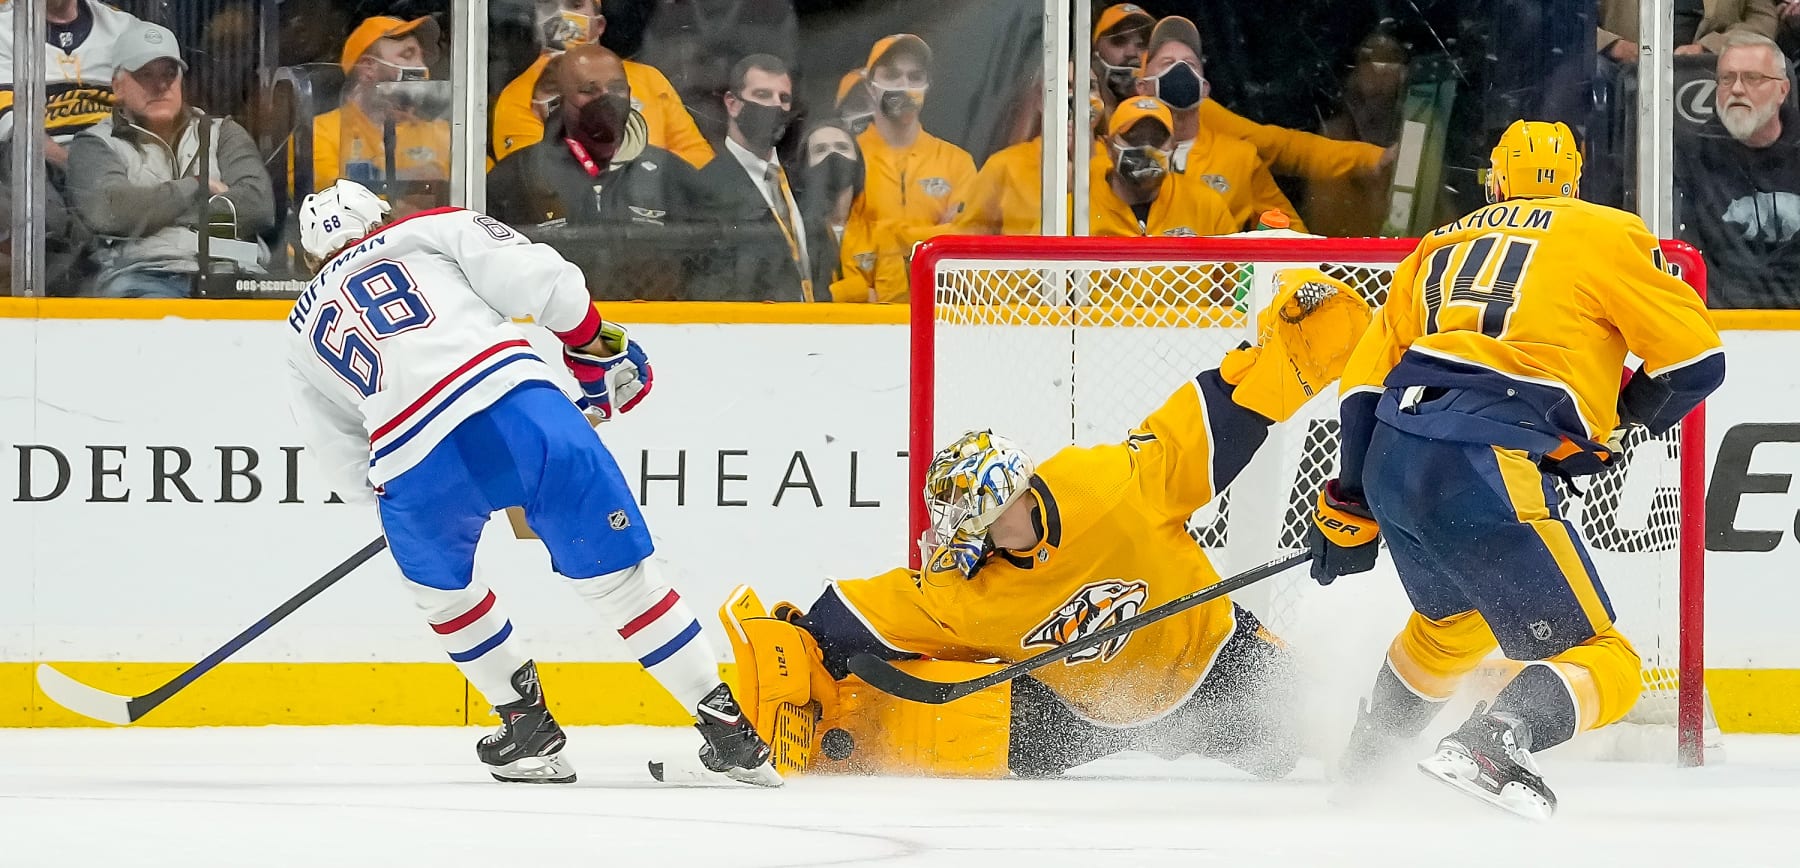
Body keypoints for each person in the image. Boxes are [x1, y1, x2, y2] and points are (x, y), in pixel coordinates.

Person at [719, 269, 1373, 779]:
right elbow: (856, 613)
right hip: (1084, 715)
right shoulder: (959, 592)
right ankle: (850, 736)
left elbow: (1219, 416)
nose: (952, 535)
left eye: (964, 517)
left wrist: (1282, 351)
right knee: (989, 742)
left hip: (1209, 657)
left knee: (1316, 727)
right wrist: (796, 647)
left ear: (1007, 504)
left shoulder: (1111, 486)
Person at [286, 179, 780, 787]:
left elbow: (338, 454)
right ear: (380, 218)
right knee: (622, 584)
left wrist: (390, 503)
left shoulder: (298, 326)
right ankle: (728, 733)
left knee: (446, 597)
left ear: (311, 258)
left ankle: (527, 729)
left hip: (410, 455)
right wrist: (589, 341)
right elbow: (540, 280)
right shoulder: (428, 228)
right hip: (516, 402)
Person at [1310, 120, 1725, 819]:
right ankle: (1494, 741)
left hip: (1392, 454)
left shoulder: (1438, 242)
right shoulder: (1602, 230)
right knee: (1610, 659)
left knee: (1450, 629)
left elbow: (1360, 390)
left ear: (1494, 181)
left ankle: (1367, 763)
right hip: (1483, 455)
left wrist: (1351, 500)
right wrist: (1620, 420)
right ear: (1575, 181)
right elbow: (1695, 365)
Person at [66, 21, 273, 298]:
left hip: (234, 277)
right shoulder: (95, 144)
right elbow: (110, 211)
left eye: (169, 74)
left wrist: (153, 212)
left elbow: (258, 206)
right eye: (145, 75)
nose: (161, 85)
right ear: (118, 86)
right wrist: (197, 186)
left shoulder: (223, 132)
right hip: (143, 277)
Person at [486, 44, 706, 300]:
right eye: (589, 90)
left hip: (659, 325)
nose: (606, 98)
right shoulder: (517, 175)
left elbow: (706, 267)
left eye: (616, 89)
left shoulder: (670, 172)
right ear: (562, 101)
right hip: (554, 328)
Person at [836, 34, 977, 303]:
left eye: (915, 77)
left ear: (926, 86)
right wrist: (933, 235)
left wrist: (883, 234)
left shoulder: (957, 162)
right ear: (869, 86)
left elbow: (963, 244)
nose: (904, 86)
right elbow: (839, 238)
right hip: (865, 316)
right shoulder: (848, 157)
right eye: (891, 75)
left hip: (940, 315)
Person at [490, 0, 712, 168]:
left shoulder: (649, 79)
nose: (560, 15)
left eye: (575, 4)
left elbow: (698, 158)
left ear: (600, 25)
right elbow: (535, 175)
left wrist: (650, 181)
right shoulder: (519, 94)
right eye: (548, 5)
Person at [1134, 17, 1306, 232]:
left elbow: (1292, 235)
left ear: (1205, 89)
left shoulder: (1240, 158)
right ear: (1142, 87)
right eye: (1168, 63)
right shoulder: (1120, 154)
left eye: (1190, 64)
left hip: (1220, 266)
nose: (1180, 71)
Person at [1675, 32, 1800, 307]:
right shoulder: (1689, 156)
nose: (1737, 89)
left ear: (1783, 90)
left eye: (1752, 78)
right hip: (1720, 321)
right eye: (1726, 79)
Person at [691, 54, 814, 301]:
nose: (774, 106)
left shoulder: (801, 181)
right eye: (762, 95)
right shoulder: (706, 187)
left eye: (784, 98)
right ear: (732, 104)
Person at [303, 16, 450, 196]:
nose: (421, 66)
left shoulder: (441, 133)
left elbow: (481, 189)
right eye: (408, 55)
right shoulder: (319, 133)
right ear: (368, 68)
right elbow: (334, 202)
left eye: (421, 57)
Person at [792, 120, 864, 296]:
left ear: (858, 162)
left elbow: (891, 301)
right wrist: (858, 291)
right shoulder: (794, 234)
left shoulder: (880, 231)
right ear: (804, 167)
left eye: (842, 147)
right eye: (820, 150)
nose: (833, 155)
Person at [1599, 0, 1778, 61]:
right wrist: (1615, 46)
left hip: (1713, 67)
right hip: (1622, 68)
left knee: (1771, 66)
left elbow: (1763, 21)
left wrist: (1710, 47)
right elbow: (1573, 20)